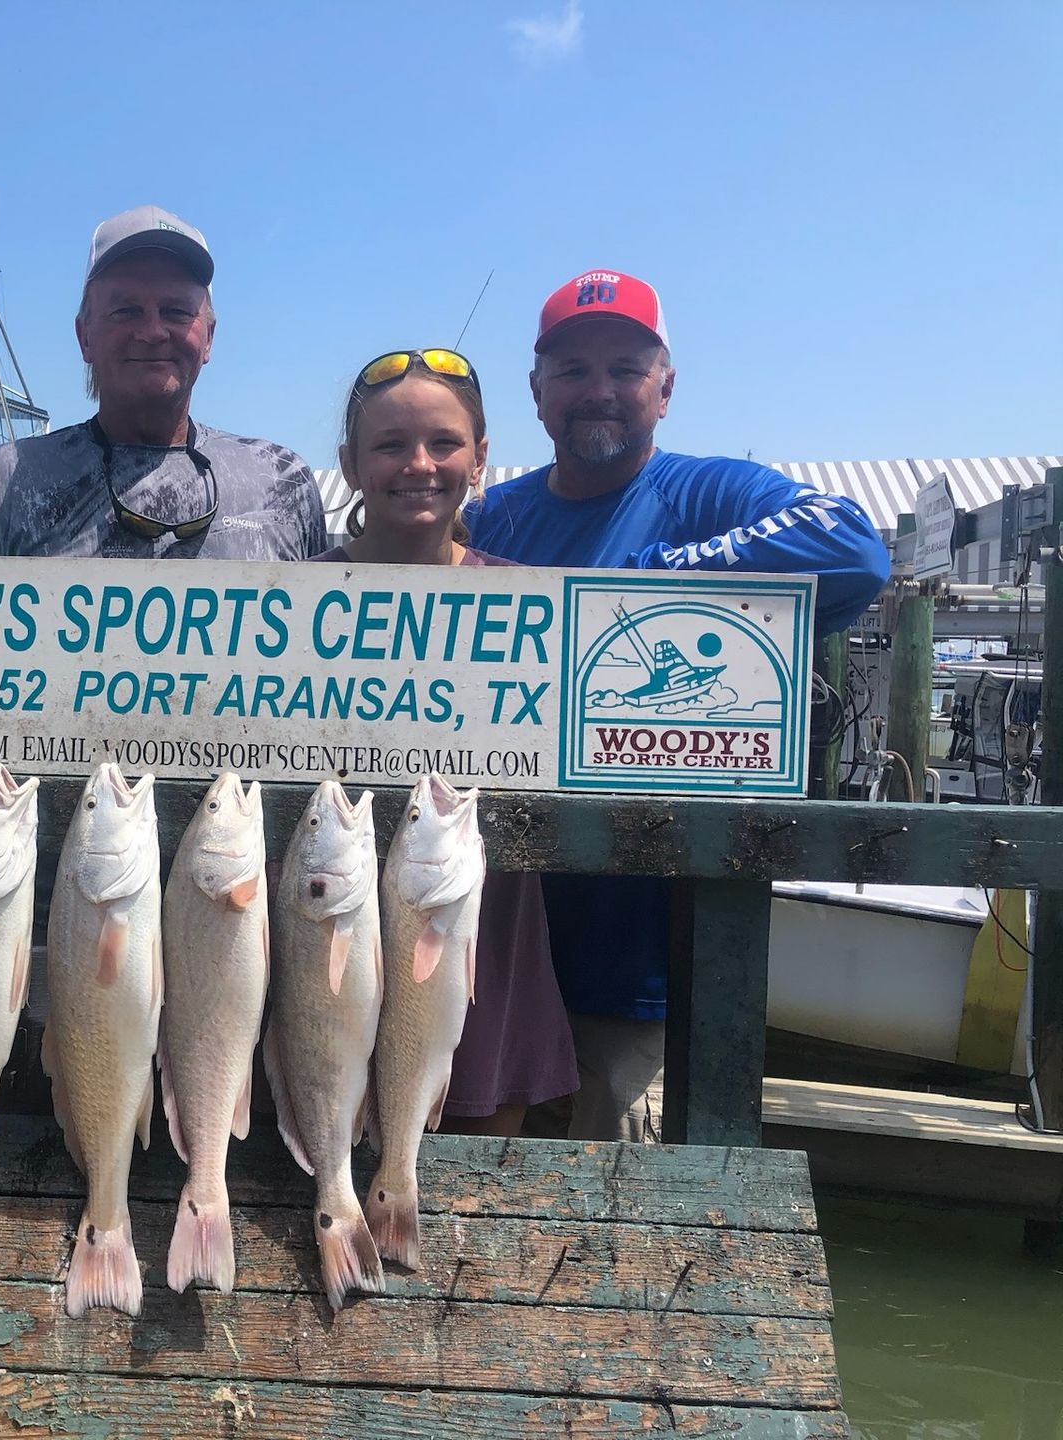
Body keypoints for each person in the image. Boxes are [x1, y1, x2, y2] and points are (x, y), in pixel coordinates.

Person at [467, 269, 890, 1141]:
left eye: (625, 367)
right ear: (536, 391)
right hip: (486, 957)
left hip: (632, 971)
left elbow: (852, 547)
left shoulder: (713, 494)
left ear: (667, 385)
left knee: (617, 1239)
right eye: (573, 369)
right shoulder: (490, 521)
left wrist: (632, 588)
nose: (599, 390)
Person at [318, 346, 578, 1135]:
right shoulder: (292, 599)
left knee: (472, 1200)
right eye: (390, 445)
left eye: (444, 443)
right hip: (330, 928)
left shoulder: (531, 601)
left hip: (480, 933)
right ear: (351, 464)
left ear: (481, 456)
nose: (419, 464)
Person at [0, 205, 326, 560]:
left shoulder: (281, 480)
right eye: (126, 310)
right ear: (85, 337)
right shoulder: (1, 486)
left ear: (209, 337)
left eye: (176, 311)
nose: (153, 331)